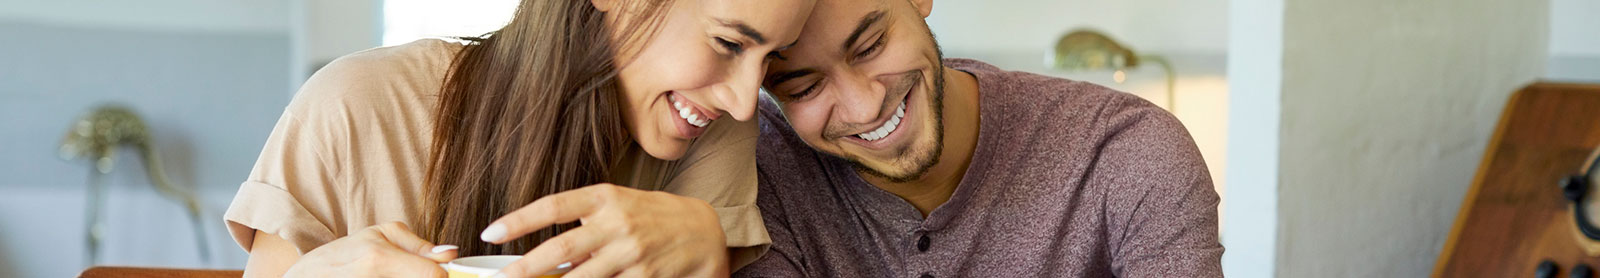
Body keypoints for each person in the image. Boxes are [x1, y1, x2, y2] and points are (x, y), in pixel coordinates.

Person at [222, 0, 812, 276]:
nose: (743, 98)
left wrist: (708, 256)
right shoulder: (354, 108)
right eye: (729, 44)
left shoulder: (714, 133)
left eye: (770, 58)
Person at [734, 0, 1224, 276]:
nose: (864, 107)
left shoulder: (1128, 153)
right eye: (804, 87)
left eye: (871, 46)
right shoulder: (754, 171)